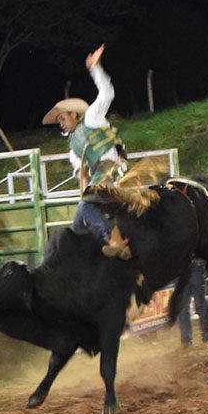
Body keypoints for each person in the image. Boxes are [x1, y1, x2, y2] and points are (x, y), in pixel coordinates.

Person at [42, 44, 131, 259]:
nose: (61, 123)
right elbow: (82, 174)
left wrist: (95, 68)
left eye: (62, 118)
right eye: (59, 120)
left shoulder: (92, 119)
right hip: (98, 182)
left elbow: (107, 93)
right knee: (80, 219)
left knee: (86, 211)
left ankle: (115, 240)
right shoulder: (73, 147)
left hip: (112, 173)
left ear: (74, 114)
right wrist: (84, 193)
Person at [178, 240, 208, 347]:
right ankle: (191, 339)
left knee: (196, 305)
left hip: (193, 268)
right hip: (187, 269)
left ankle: (199, 338)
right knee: (187, 307)